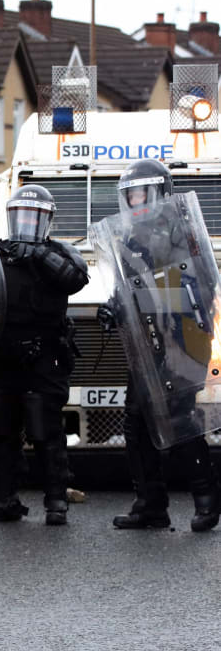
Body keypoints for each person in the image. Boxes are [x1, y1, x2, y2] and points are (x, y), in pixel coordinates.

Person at [96, 159, 221, 531]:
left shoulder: (182, 231)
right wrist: (114, 309)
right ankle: (150, 504)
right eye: (130, 196)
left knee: (179, 419)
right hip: (147, 341)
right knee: (137, 423)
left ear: (160, 192)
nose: (135, 202)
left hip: (184, 339)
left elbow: (203, 285)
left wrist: (152, 301)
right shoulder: (129, 237)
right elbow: (127, 289)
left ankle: (206, 501)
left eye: (140, 193)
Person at [0, 185, 88, 526]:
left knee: (46, 430)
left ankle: (56, 499)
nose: (27, 222)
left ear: (47, 220)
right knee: (1, 430)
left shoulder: (58, 254)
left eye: (34, 216)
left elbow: (75, 279)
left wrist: (40, 255)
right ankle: (5, 499)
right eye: (21, 215)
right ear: (10, 218)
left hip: (44, 356)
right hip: (1, 354)